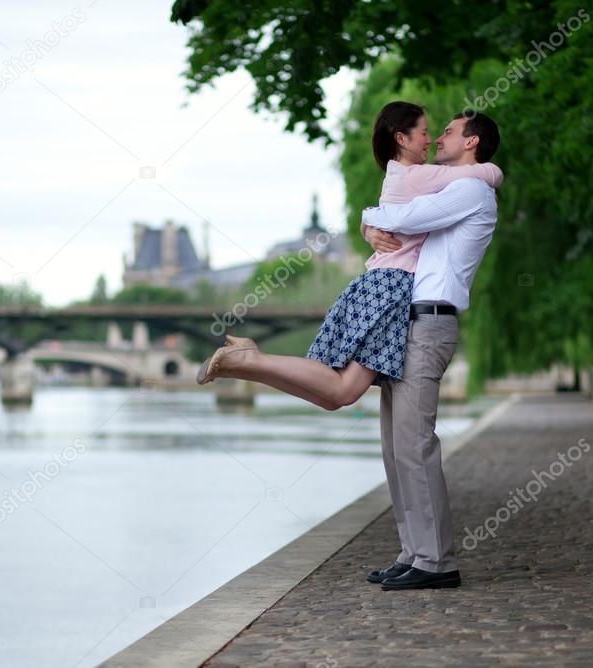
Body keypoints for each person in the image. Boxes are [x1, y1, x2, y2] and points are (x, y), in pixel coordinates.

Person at [195, 102, 501, 415]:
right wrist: (495, 171)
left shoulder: (401, 175)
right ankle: (249, 359)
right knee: (343, 390)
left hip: (377, 283)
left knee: (332, 396)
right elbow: (478, 173)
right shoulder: (420, 176)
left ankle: (246, 365)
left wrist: (367, 221)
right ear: (402, 138)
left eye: (439, 133)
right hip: (392, 286)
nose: (431, 139)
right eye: (424, 132)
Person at [360, 110, 501, 591]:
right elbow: (401, 217)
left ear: (472, 141)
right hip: (410, 321)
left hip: (430, 322)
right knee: (395, 446)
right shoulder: (450, 185)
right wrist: (371, 229)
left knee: (415, 444)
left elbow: (403, 216)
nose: (439, 136)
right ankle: (413, 552)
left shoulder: (469, 189)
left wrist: (367, 219)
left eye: (450, 131)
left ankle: (436, 562)